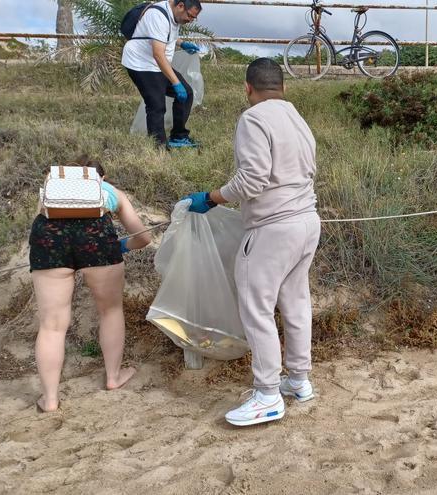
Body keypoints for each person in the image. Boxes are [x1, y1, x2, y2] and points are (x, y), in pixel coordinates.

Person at [183, 58, 320, 427]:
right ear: (283, 87)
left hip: (272, 228)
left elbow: (253, 179)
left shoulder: (254, 118)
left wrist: (212, 197)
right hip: (307, 222)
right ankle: (299, 381)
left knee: (256, 307)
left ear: (248, 89)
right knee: (295, 302)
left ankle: (267, 394)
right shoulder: (297, 117)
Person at [29, 156, 151, 412]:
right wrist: (120, 246)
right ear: (99, 177)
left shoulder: (52, 187)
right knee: (110, 310)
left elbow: (40, 220)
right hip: (97, 242)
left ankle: (50, 399)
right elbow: (143, 238)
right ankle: (113, 377)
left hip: (49, 242)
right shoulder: (109, 191)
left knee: (52, 326)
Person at [122, 0, 202, 149]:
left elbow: (165, 34)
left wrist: (181, 43)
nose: (190, 21)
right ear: (180, 6)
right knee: (156, 105)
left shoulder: (174, 15)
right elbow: (158, 54)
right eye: (190, 16)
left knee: (187, 93)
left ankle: (179, 137)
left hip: (157, 64)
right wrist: (175, 83)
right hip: (141, 64)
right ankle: (158, 148)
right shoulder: (157, 15)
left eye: (193, 18)